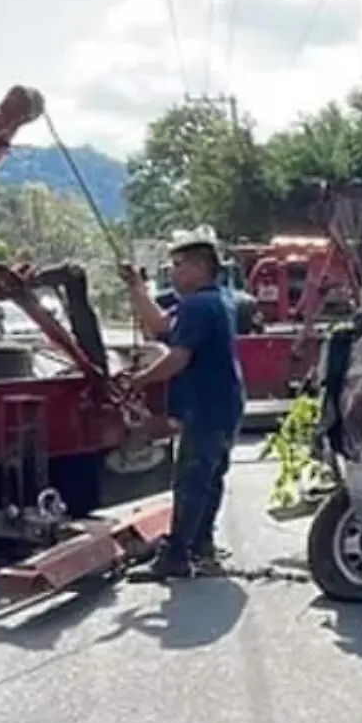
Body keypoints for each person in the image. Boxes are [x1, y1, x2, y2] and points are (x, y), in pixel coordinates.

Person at [119, 227, 247, 581]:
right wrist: (136, 288)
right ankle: (201, 546)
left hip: (205, 408)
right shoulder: (217, 299)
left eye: (177, 264)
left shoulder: (198, 305)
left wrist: (139, 380)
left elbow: (177, 358)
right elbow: (159, 324)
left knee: (191, 480)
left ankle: (176, 556)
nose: (172, 271)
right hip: (226, 404)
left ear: (199, 266)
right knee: (210, 477)